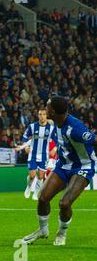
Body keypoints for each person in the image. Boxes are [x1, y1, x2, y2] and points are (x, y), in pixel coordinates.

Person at [21, 96, 96, 246]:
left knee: (64, 203)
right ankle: (43, 230)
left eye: (47, 107)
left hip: (83, 166)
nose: (44, 109)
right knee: (43, 198)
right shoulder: (55, 122)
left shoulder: (75, 129)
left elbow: (94, 139)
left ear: (53, 112)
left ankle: (61, 233)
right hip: (63, 165)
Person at [14, 108, 56, 200]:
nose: (42, 116)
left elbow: (57, 140)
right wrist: (25, 147)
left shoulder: (51, 128)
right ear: (38, 116)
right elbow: (25, 137)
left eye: (44, 114)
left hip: (44, 155)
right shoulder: (32, 126)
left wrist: (55, 149)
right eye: (40, 114)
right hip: (32, 154)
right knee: (32, 176)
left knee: (41, 176)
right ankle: (28, 187)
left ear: (46, 116)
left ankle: (36, 193)